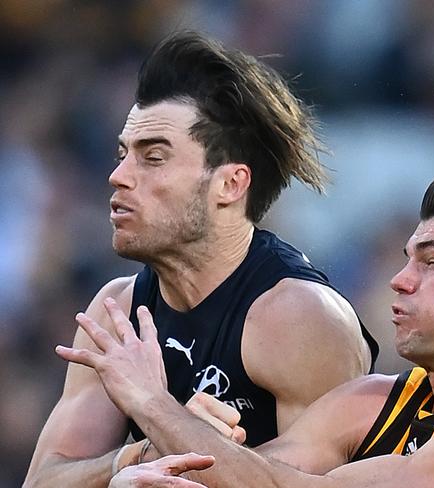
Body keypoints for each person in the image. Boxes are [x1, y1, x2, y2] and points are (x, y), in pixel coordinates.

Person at [57, 168, 434, 488]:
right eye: (407, 259)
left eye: (432, 263)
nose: (399, 280)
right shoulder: (369, 402)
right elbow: (236, 474)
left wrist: (153, 406)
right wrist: (144, 467)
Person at [24, 31, 378, 487]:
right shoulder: (118, 312)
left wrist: (158, 412)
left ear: (229, 185)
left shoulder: (297, 317)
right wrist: (141, 456)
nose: (117, 176)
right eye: (121, 155)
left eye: (153, 158)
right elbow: (41, 482)